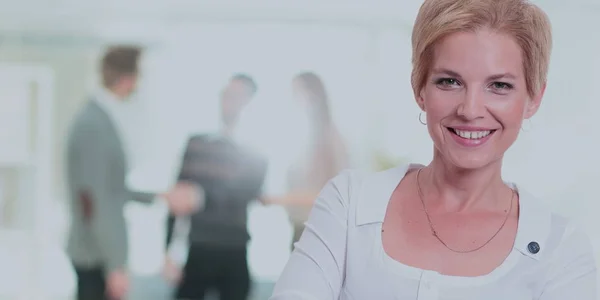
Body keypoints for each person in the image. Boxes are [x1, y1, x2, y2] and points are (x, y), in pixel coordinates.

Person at [270, 0, 597, 299]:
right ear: (419, 87)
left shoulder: (561, 251)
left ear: (533, 99)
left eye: (499, 86)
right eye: (449, 82)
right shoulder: (349, 204)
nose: (470, 110)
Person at [66, 46, 200, 300]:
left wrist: (159, 196)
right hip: (95, 254)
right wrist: (115, 264)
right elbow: (95, 198)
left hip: (97, 252)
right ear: (128, 79)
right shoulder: (93, 124)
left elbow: (111, 188)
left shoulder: (101, 118)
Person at [164, 74, 268, 300]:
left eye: (238, 96)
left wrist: (201, 197)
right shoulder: (197, 144)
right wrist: (168, 252)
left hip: (234, 250)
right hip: (198, 248)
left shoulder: (257, 151)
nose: (229, 101)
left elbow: (246, 191)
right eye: (226, 95)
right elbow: (178, 197)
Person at [261, 72, 349, 250]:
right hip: (300, 229)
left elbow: (336, 195)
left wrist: (280, 199)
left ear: (314, 94)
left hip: (321, 233)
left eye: (298, 92)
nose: (294, 99)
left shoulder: (331, 138)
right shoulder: (304, 137)